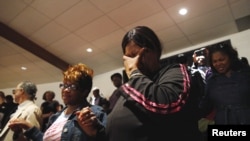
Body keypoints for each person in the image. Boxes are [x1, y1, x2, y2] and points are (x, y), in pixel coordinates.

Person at [85, 26, 190, 141]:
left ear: (156, 51)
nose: (135, 62)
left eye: (142, 54)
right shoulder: (130, 87)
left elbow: (169, 105)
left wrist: (134, 73)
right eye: (130, 57)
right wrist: (97, 130)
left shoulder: (173, 70)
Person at [8, 63, 107, 141]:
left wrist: (96, 132)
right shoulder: (55, 117)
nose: (66, 90)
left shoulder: (94, 113)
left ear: (84, 91)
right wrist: (27, 126)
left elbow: (107, 137)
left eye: (72, 86)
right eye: (64, 85)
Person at [199, 43, 250, 125]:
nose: (218, 64)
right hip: (223, 121)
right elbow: (205, 105)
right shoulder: (212, 81)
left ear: (230, 58)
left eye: (221, 59)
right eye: (214, 61)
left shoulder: (245, 75)